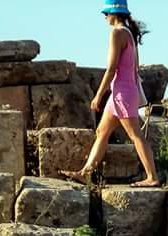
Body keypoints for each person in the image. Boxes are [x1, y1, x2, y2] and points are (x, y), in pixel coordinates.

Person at [59, 0, 160, 187]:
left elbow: (111, 69)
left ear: (114, 13)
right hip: (121, 93)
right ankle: (85, 173)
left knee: (135, 135)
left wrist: (98, 95)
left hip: (122, 94)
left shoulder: (117, 33)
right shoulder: (129, 32)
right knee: (102, 131)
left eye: (107, 13)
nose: (105, 17)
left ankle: (152, 177)